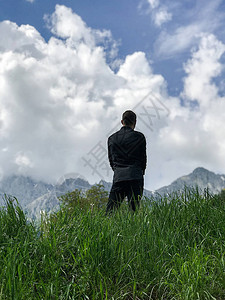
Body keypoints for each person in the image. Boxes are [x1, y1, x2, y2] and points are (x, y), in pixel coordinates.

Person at [106, 110, 147, 214]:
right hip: (135, 176)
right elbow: (143, 159)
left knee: (110, 211)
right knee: (134, 211)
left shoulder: (112, 138)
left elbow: (111, 160)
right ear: (135, 122)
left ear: (122, 121)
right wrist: (140, 172)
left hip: (119, 177)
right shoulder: (139, 137)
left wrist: (118, 170)